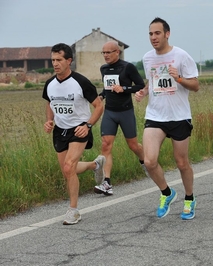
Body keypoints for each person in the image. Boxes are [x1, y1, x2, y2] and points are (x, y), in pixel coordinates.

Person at [135, 17, 200, 220]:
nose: (153, 37)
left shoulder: (181, 56)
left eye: (157, 33)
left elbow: (196, 85)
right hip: (155, 116)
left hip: (179, 116)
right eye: (150, 34)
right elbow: (151, 82)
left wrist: (179, 78)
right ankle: (167, 193)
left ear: (167, 34)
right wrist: (143, 92)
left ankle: (189, 198)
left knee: (181, 163)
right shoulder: (148, 58)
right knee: (149, 161)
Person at [42, 43, 105, 225]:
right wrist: (49, 120)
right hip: (60, 130)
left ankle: (73, 210)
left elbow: (99, 106)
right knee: (67, 170)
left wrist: (88, 125)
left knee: (69, 167)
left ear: (69, 61)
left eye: (59, 60)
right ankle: (95, 165)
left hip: (79, 129)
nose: (55, 64)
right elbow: (49, 103)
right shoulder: (50, 84)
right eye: (53, 60)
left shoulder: (81, 82)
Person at [94, 40, 147, 196]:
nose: (105, 55)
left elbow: (140, 85)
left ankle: (146, 162)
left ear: (117, 52)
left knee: (133, 145)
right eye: (103, 52)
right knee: (106, 145)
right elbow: (107, 87)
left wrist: (124, 88)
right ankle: (107, 183)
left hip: (125, 112)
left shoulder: (127, 67)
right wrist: (102, 96)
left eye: (108, 52)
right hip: (110, 112)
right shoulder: (103, 69)